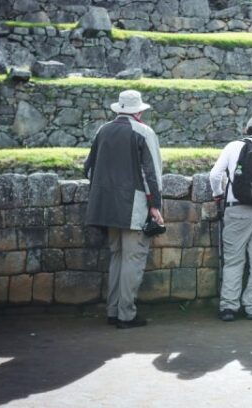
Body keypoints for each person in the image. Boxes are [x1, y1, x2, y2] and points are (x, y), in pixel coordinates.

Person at [84, 89, 164, 329]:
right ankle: (126, 314)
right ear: (139, 111)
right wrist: (156, 206)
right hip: (133, 206)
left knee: (117, 256)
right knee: (133, 259)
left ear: (119, 110)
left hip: (105, 207)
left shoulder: (102, 131)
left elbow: (89, 169)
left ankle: (113, 310)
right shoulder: (143, 132)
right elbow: (152, 174)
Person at [210, 114, 252, 322]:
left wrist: (217, 195)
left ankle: (229, 306)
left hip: (236, 209)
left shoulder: (232, 147)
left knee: (233, 260)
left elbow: (214, 175)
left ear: (246, 130)